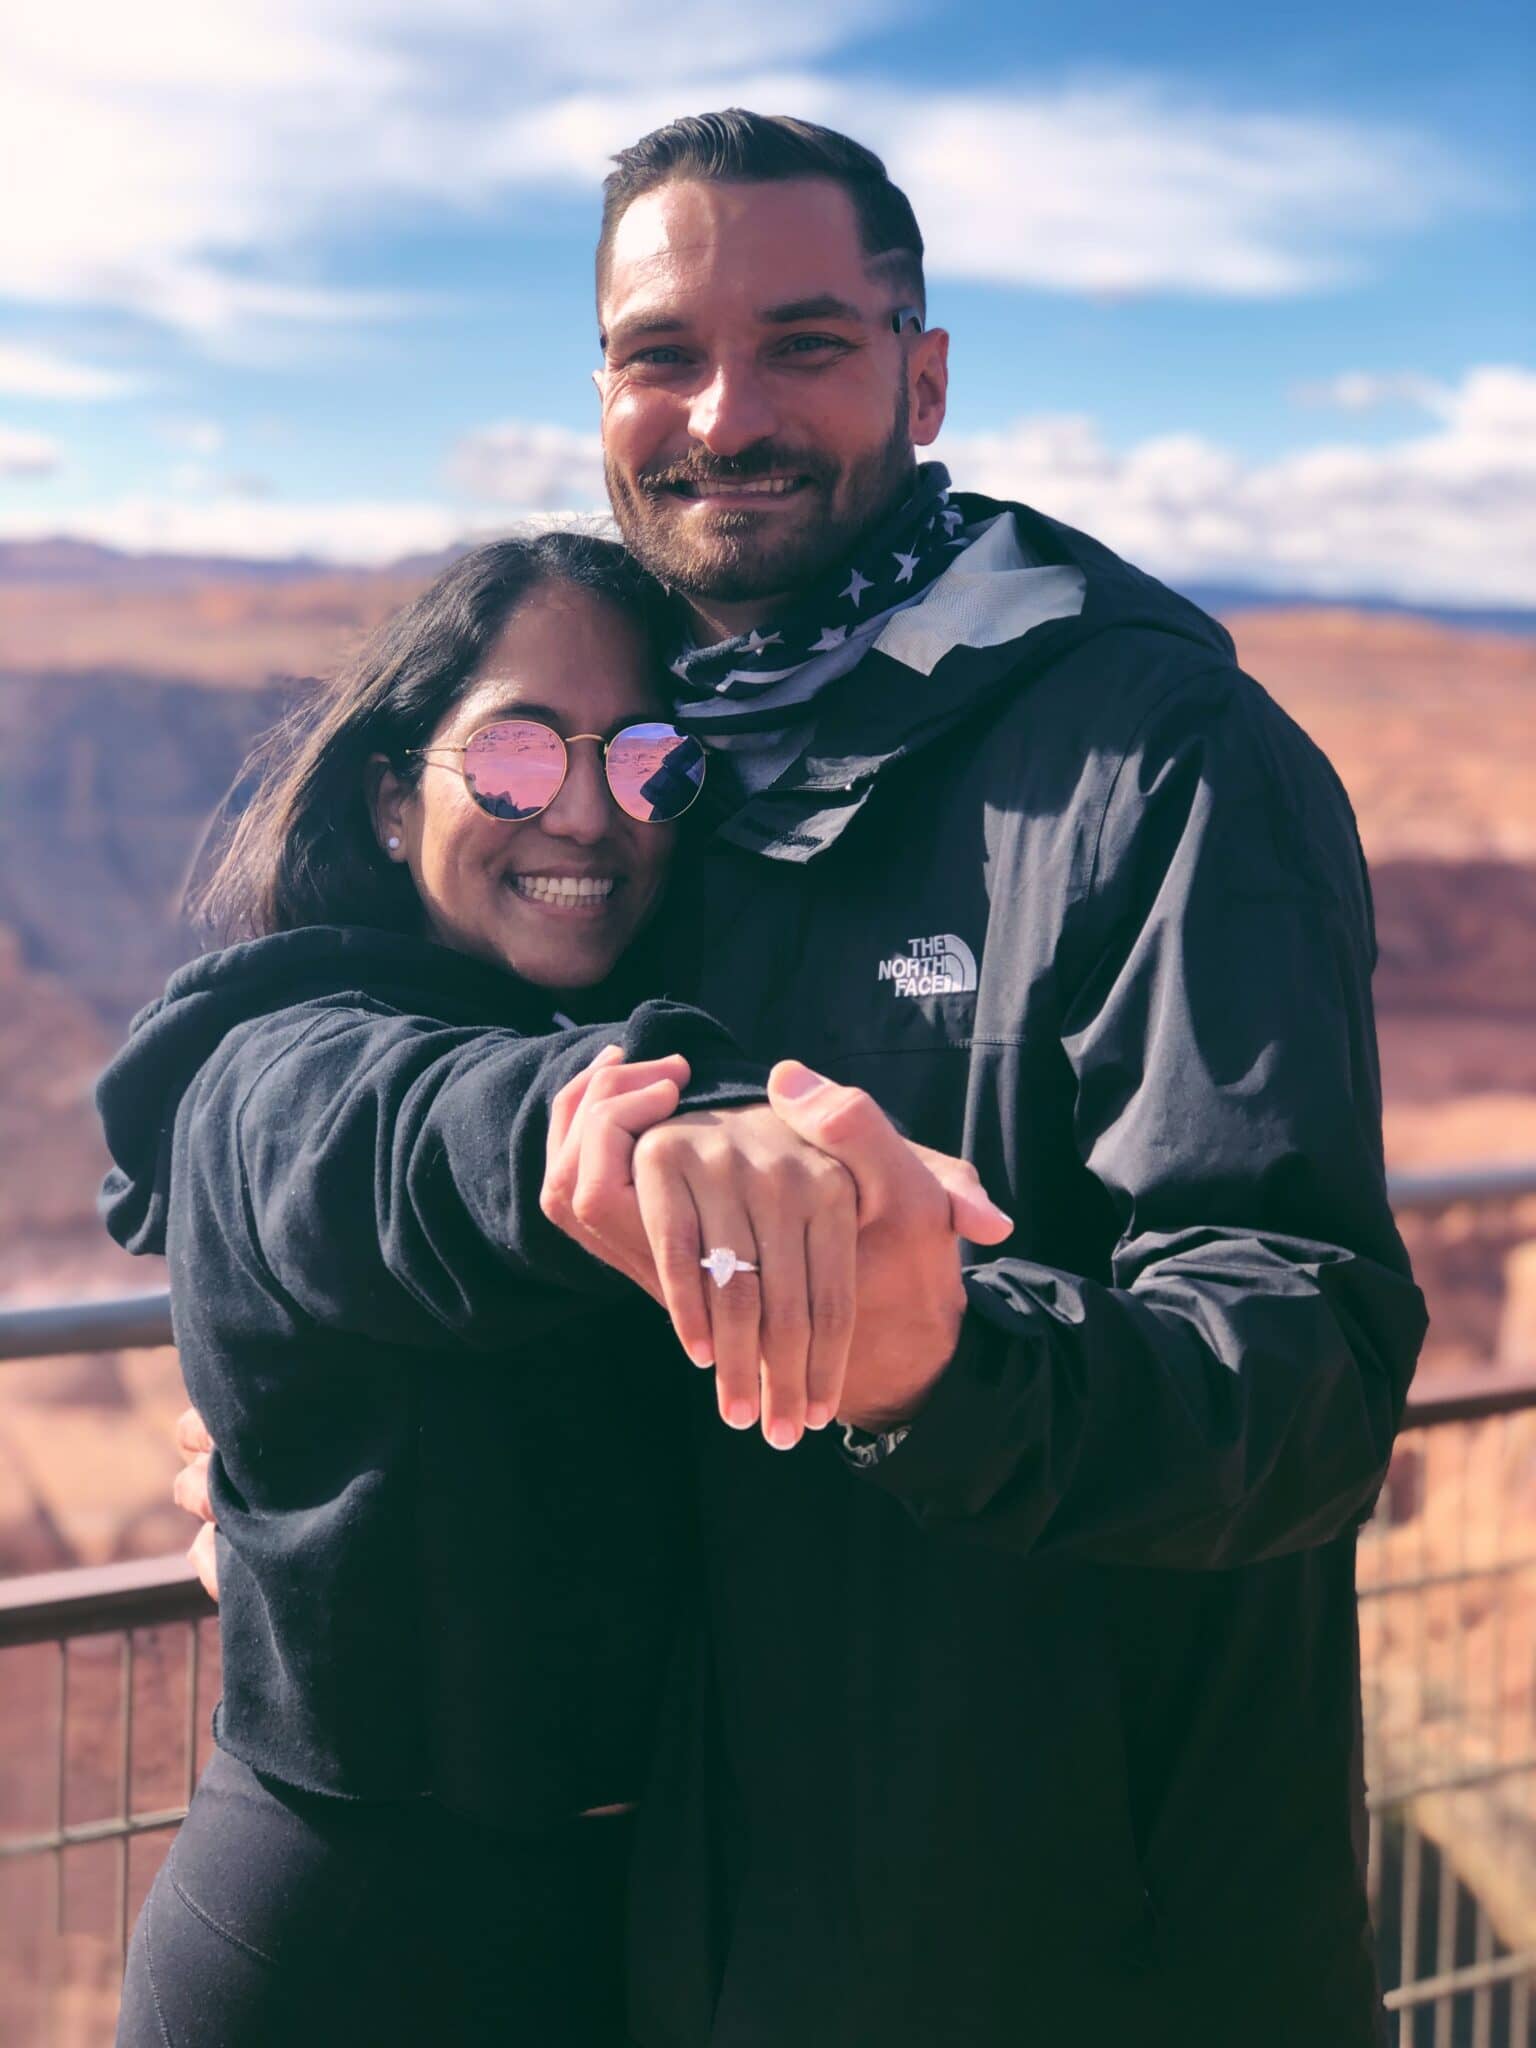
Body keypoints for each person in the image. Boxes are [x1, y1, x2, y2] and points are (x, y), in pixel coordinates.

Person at [174, 112, 1428, 2046]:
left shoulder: (1159, 763)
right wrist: (325, 1503)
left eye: (808, 344)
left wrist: (949, 1361)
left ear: (924, 378)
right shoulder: (680, 773)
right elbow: (406, 1135)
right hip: (718, 1945)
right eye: (661, 352)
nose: (723, 412)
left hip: (1091, 1956)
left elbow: (1316, 1358)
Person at [104, 528, 998, 2047]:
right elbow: (410, 1139)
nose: (587, 811)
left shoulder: (652, 1002)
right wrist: (648, 1120)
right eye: (516, 756)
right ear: (395, 798)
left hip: (629, 1939)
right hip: (350, 1959)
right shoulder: (276, 1057)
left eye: (647, 760)